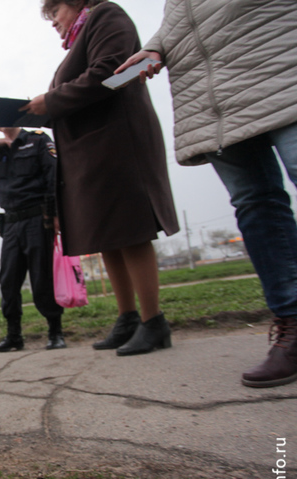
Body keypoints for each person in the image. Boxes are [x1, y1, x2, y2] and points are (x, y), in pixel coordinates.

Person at [116, 0, 297, 388]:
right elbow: (183, 20)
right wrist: (156, 47)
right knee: (254, 205)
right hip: (214, 102)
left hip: (280, 68)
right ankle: (292, 323)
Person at [22, 0, 180, 356]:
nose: (53, 23)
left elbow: (112, 73)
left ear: (76, 2)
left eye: (55, 12)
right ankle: (127, 318)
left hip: (118, 143)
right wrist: (45, 109)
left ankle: (154, 322)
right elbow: (82, 91)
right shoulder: (79, 41)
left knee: (132, 230)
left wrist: (51, 99)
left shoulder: (107, 15)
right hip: (93, 152)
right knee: (109, 234)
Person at [0, 127, 66, 351]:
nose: (3, 123)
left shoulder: (37, 140)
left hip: (38, 219)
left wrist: (55, 213)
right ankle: (14, 336)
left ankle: (55, 331)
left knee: (42, 278)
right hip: (10, 223)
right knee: (8, 281)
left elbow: (53, 175)